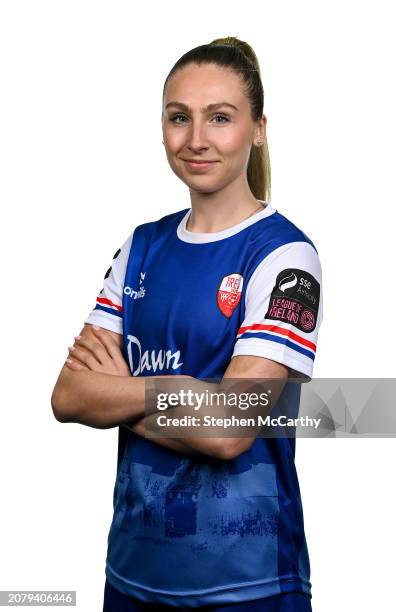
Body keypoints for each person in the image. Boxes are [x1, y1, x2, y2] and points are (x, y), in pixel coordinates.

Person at [51, 36, 323, 611]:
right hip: (131, 574)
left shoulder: (284, 257)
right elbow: (69, 396)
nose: (195, 140)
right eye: (180, 118)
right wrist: (183, 397)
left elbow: (229, 430)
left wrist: (125, 393)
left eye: (219, 118)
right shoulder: (141, 248)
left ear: (258, 129)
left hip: (247, 584)